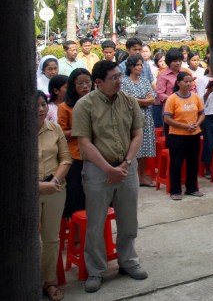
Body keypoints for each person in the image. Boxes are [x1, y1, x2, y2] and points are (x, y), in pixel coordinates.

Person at [72, 60, 148, 293]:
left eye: (119, 76)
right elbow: (84, 142)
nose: (119, 81)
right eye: (113, 78)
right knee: (96, 223)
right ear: (98, 82)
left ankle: (128, 262)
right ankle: (95, 270)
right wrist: (108, 169)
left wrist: (125, 163)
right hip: (98, 170)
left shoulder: (128, 101)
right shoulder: (84, 106)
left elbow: (137, 133)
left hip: (126, 167)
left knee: (129, 219)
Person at [36, 90, 72, 301]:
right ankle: (28, 280)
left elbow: (66, 159)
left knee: (51, 239)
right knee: (27, 240)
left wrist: (54, 182)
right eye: (35, 105)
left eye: (43, 104)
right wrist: (38, 186)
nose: (41, 109)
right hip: (28, 193)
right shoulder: (15, 131)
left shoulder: (54, 128)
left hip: (55, 189)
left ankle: (49, 281)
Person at [164, 71, 205, 200]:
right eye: (185, 81)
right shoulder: (172, 99)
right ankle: (175, 190)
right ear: (178, 83)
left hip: (194, 134)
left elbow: (202, 114)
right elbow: (167, 119)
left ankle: (192, 188)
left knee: (193, 162)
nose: (188, 84)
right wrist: (184, 126)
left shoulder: (195, 97)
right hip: (177, 136)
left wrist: (196, 124)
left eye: (190, 81)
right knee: (177, 163)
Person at [58, 68, 91, 219]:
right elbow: (62, 134)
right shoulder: (65, 107)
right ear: (73, 86)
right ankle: (76, 233)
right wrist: (80, 129)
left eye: (87, 82)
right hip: (76, 155)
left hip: (96, 154)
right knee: (76, 195)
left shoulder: (96, 102)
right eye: (80, 84)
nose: (85, 86)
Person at [121, 55, 157, 187]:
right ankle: (132, 177)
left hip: (146, 117)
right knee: (132, 149)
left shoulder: (145, 81)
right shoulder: (124, 82)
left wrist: (138, 100)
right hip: (131, 118)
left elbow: (152, 99)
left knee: (145, 148)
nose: (140, 67)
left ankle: (142, 177)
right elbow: (127, 100)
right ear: (130, 66)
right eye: (138, 65)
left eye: (141, 65)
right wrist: (143, 100)